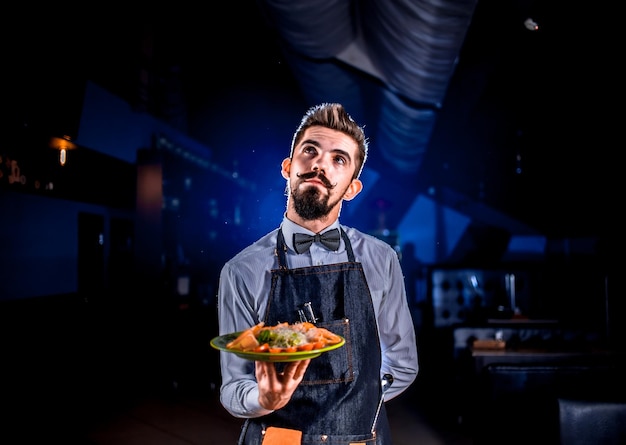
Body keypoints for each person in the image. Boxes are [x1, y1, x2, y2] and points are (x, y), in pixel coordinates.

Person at [216, 102, 418, 445]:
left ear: (352, 188)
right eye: (310, 150)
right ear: (288, 166)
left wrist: (354, 408)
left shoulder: (381, 259)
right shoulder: (241, 270)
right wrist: (264, 399)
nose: (321, 163)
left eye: (339, 159)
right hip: (278, 437)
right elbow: (234, 387)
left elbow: (402, 365)